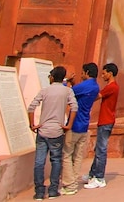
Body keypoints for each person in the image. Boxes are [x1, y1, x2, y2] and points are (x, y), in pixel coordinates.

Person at [28, 66, 77, 200]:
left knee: (39, 162)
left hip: (43, 130)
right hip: (57, 131)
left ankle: (39, 192)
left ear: (52, 77)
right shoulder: (67, 91)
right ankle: (53, 190)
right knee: (56, 161)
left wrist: (32, 125)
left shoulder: (45, 91)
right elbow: (74, 107)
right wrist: (69, 125)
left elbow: (31, 107)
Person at [60, 63, 100, 195]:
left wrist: (65, 80)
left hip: (75, 124)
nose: (81, 74)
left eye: (82, 72)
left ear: (87, 72)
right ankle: (73, 183)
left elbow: (67, 91)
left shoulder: (85, 85)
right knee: (77, 157)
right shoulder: (95, 86)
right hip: (84, 124)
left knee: (66, 155)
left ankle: (69, 185)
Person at [84, 63, 119, 189]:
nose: (102, 75)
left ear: (110, 73)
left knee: (101, 150)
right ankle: (92, 174)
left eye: (104, 73)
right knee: (98, 149)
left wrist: (84, 92)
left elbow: (97, 96)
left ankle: (99, 178)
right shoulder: (111, 86)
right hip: (105, 120)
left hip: (106, 121)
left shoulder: (111, 87)